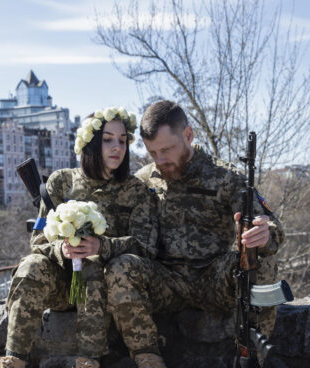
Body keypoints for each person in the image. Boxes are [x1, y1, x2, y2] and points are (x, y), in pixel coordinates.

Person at [104, 100, 284, 368]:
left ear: (188, 135)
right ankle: (148, 358)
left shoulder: (225, 177)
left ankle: (254, 355)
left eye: (167, 149)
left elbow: (273, 227)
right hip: (166, 281)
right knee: (120, 267)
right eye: (153, 152)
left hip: (215, 278)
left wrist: (264, 234)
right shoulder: (143, 180)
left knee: (261, 259)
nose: (160, 160)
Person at [1, 107, 159, 368]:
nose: (117, 147)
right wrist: (61, 250)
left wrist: (102, 246)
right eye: (108, 139)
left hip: (109, 288)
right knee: (29, 266)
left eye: (122, 140)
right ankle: (13, 360)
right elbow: (39, 241)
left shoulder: (137, 191)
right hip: (63, 286)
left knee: (92, 266)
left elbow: (145, 245)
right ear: (90, 143)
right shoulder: (60, 182)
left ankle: (88, 362)